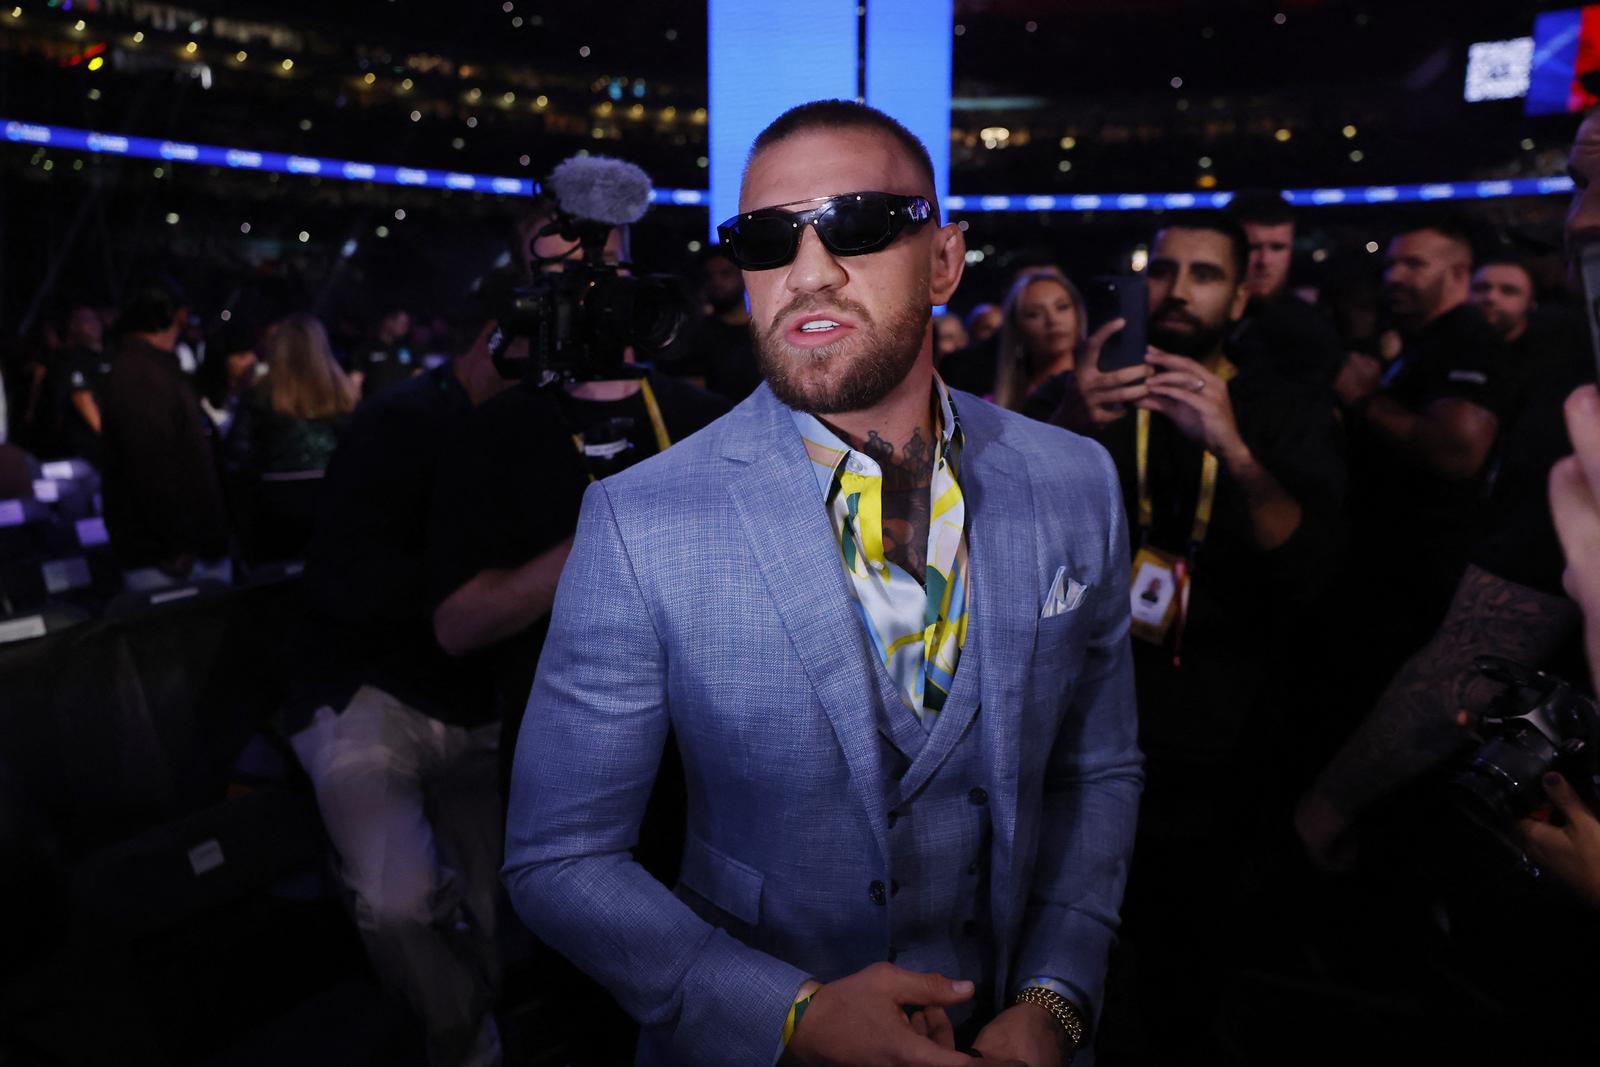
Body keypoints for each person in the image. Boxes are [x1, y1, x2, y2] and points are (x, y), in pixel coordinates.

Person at [503, 99, 1142, 1067]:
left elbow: (1096, 770)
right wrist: (787, 1012)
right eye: (766, 239)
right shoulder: (642, 520)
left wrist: (1054, 996)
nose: (808, 271)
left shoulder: (1073, 480)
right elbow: (558, 857)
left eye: (859, 223)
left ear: (944, 258)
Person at [1044, 212, 1345, 1060]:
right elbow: (987, 535)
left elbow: (1312, 565)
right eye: (1164, 270)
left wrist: (1234, 449)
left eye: (1204, 274)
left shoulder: (1279, 405)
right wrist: (1066, 421)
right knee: (1071, 942)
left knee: (1191, 970)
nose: (1177, 292)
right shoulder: (1083, 395)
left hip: (1220, 737)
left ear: (1242, 291)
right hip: (1083, 720)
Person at [293, 287, 518, 1067]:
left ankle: (473, 1034)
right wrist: (491, 591)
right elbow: (349, 582)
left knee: (498, 910)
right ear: (496, 337)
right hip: (372, 695)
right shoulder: (402, 421)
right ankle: (466, 1045)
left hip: (479, 706)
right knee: (398, 902)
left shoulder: (529, 427)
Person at [1333, 219, 1506, 680]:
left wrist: (1364, 400)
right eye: (1392, 263)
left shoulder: (1466, 336)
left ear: (1457, 273)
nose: (1396, 276)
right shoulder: (1425, 339)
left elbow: (1458, 449)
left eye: (1415, 264)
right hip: (1395, 568)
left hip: (1426, 577)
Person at [98, 282, 231, 589]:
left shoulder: (151, 368)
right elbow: (149, 464)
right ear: (178, 316)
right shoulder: (142, 375)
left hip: (182, 551)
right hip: (171, 560)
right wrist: (175, 544)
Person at [227, 312, 358, 561]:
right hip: (329, 505)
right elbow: (358, 453)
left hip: (274, 509)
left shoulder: (261, 391)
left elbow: (238, 455)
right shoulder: (344, 394)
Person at [1225, 189, 1344, 392]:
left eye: (1277, 247)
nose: (1265, 261)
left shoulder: (1309, 330)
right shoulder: (1206, 316)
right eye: (1253, 247)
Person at [991, 267, 1087, 414]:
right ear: (1016, 327)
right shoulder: (994, 408)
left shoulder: (1100, 389)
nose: (1052, 320)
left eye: (1062, 307)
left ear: (1078, 314)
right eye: (1034, 314)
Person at [674, 245, 762, 402]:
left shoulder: (765, 330)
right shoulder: (696, 336)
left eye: (725, 273)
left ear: (743, 276)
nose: (717, 282)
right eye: (709, 276)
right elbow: (693, 398)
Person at [43, 305, 111, 465]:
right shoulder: (71, 360)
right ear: (73, 326)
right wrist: (112, 439)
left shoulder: (113, 355)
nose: (94, 324)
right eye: (86, 320)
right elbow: (82, 399)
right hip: (89, 451)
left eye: (95, 319)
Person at [350, 305, 418, 401]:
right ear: (388, 322)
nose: (405, 328)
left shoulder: (410, 348)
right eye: (402, 324)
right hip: (375, 409)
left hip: (404, 407)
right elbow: (355, 381)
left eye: (407, 325)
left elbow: (418, 377)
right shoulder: (366, 349)